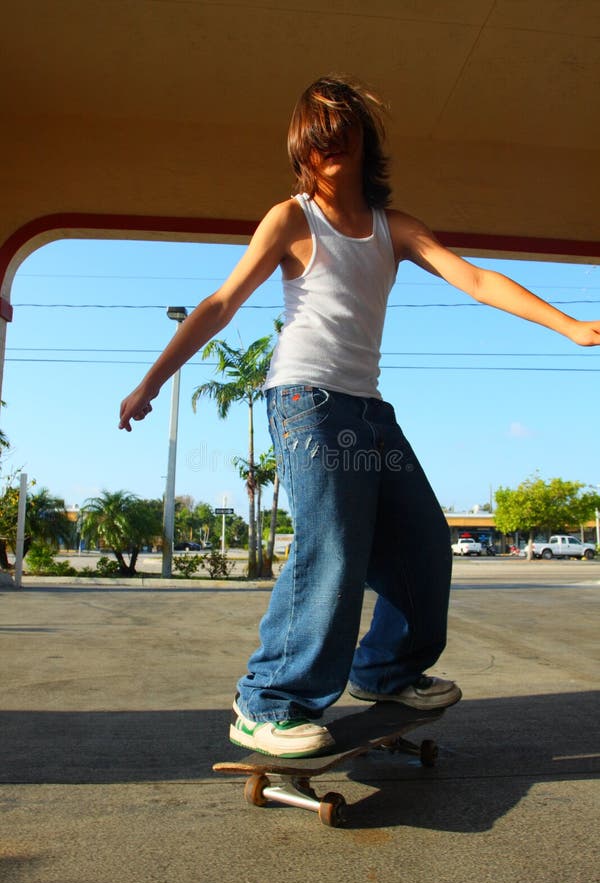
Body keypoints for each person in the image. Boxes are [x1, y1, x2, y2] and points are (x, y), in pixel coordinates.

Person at [119, 75, 600, 757]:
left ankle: (385, 669)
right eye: (315, 134)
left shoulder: (393, 228)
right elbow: (222, 303)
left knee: (425, 544)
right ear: (300, 151)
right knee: (334, 544)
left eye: (341, 127)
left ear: (364, 140)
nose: (329, 142)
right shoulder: (290, 220)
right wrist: (150, 382)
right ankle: (268, 700)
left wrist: (570, 325)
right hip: (305, 403)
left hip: (369, 412)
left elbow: (478, 279)